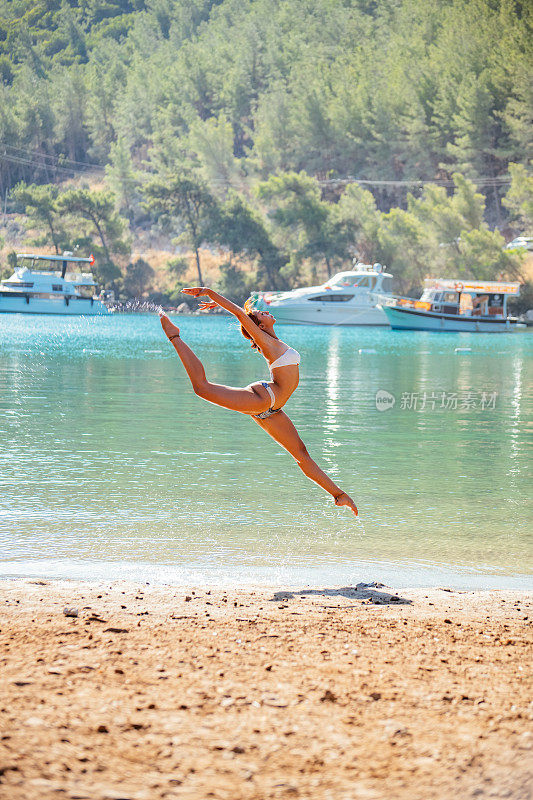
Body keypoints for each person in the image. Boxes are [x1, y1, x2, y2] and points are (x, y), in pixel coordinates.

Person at [159, 287, 358, 515]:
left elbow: (243, 315)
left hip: (273, 410)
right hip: (262, 399)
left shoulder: (272, 340)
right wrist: (210, 293)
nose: (266, 312)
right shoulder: (265, 340)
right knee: (202, 388)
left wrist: (220, 304)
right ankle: (174, 336)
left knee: (301, 454)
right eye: (262, 314)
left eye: (262, 313)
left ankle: (339, 495)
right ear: (260, 327)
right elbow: (241, 315)